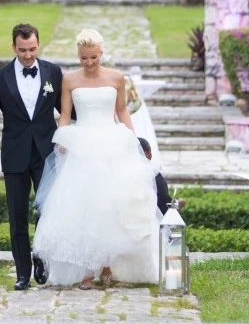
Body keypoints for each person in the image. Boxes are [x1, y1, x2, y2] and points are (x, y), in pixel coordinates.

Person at [33, 28, 160, 290]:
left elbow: (122, 111)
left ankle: (107, 266)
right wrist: (62, 140)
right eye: (83, 58)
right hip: (82, 145)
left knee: (111, 204)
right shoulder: (69, 80)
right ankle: (86, 270)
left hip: (112, 143)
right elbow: (66, 115)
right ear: (78, 56)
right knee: (84, 204)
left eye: (93, 57)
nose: (89, 63)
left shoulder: (116, 77)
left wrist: (133, 140)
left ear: (101, 53)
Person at [0, 23, 64, 291]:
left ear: (38, 44)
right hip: (15, 154)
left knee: (46, 210)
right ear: (13, 47)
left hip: (45, 153)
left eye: (32, 49)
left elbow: (66, 109)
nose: (28, 55)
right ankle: (22, 273)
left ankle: (41, 259)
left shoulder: (53, 72)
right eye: (22, 50)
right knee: (17, 216)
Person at [139, 138, 185, 215]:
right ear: (146, 153)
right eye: (150, 151)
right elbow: (162, 199)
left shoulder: (120, 172)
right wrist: (178, 203)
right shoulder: (152, 173)